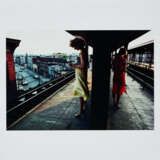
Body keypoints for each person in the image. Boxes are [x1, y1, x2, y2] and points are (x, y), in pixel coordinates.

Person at [69, 37, 89, 117]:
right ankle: (84, 106)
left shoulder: (81, 53)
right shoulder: (85, 51)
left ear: (77, 45)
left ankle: (80, 111)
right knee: (83, 89)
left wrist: (73, 65)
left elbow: (82, 65)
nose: (74, 48)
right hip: (82, 73)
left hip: (80, 73)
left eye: (74, 46)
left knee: (80, 91)